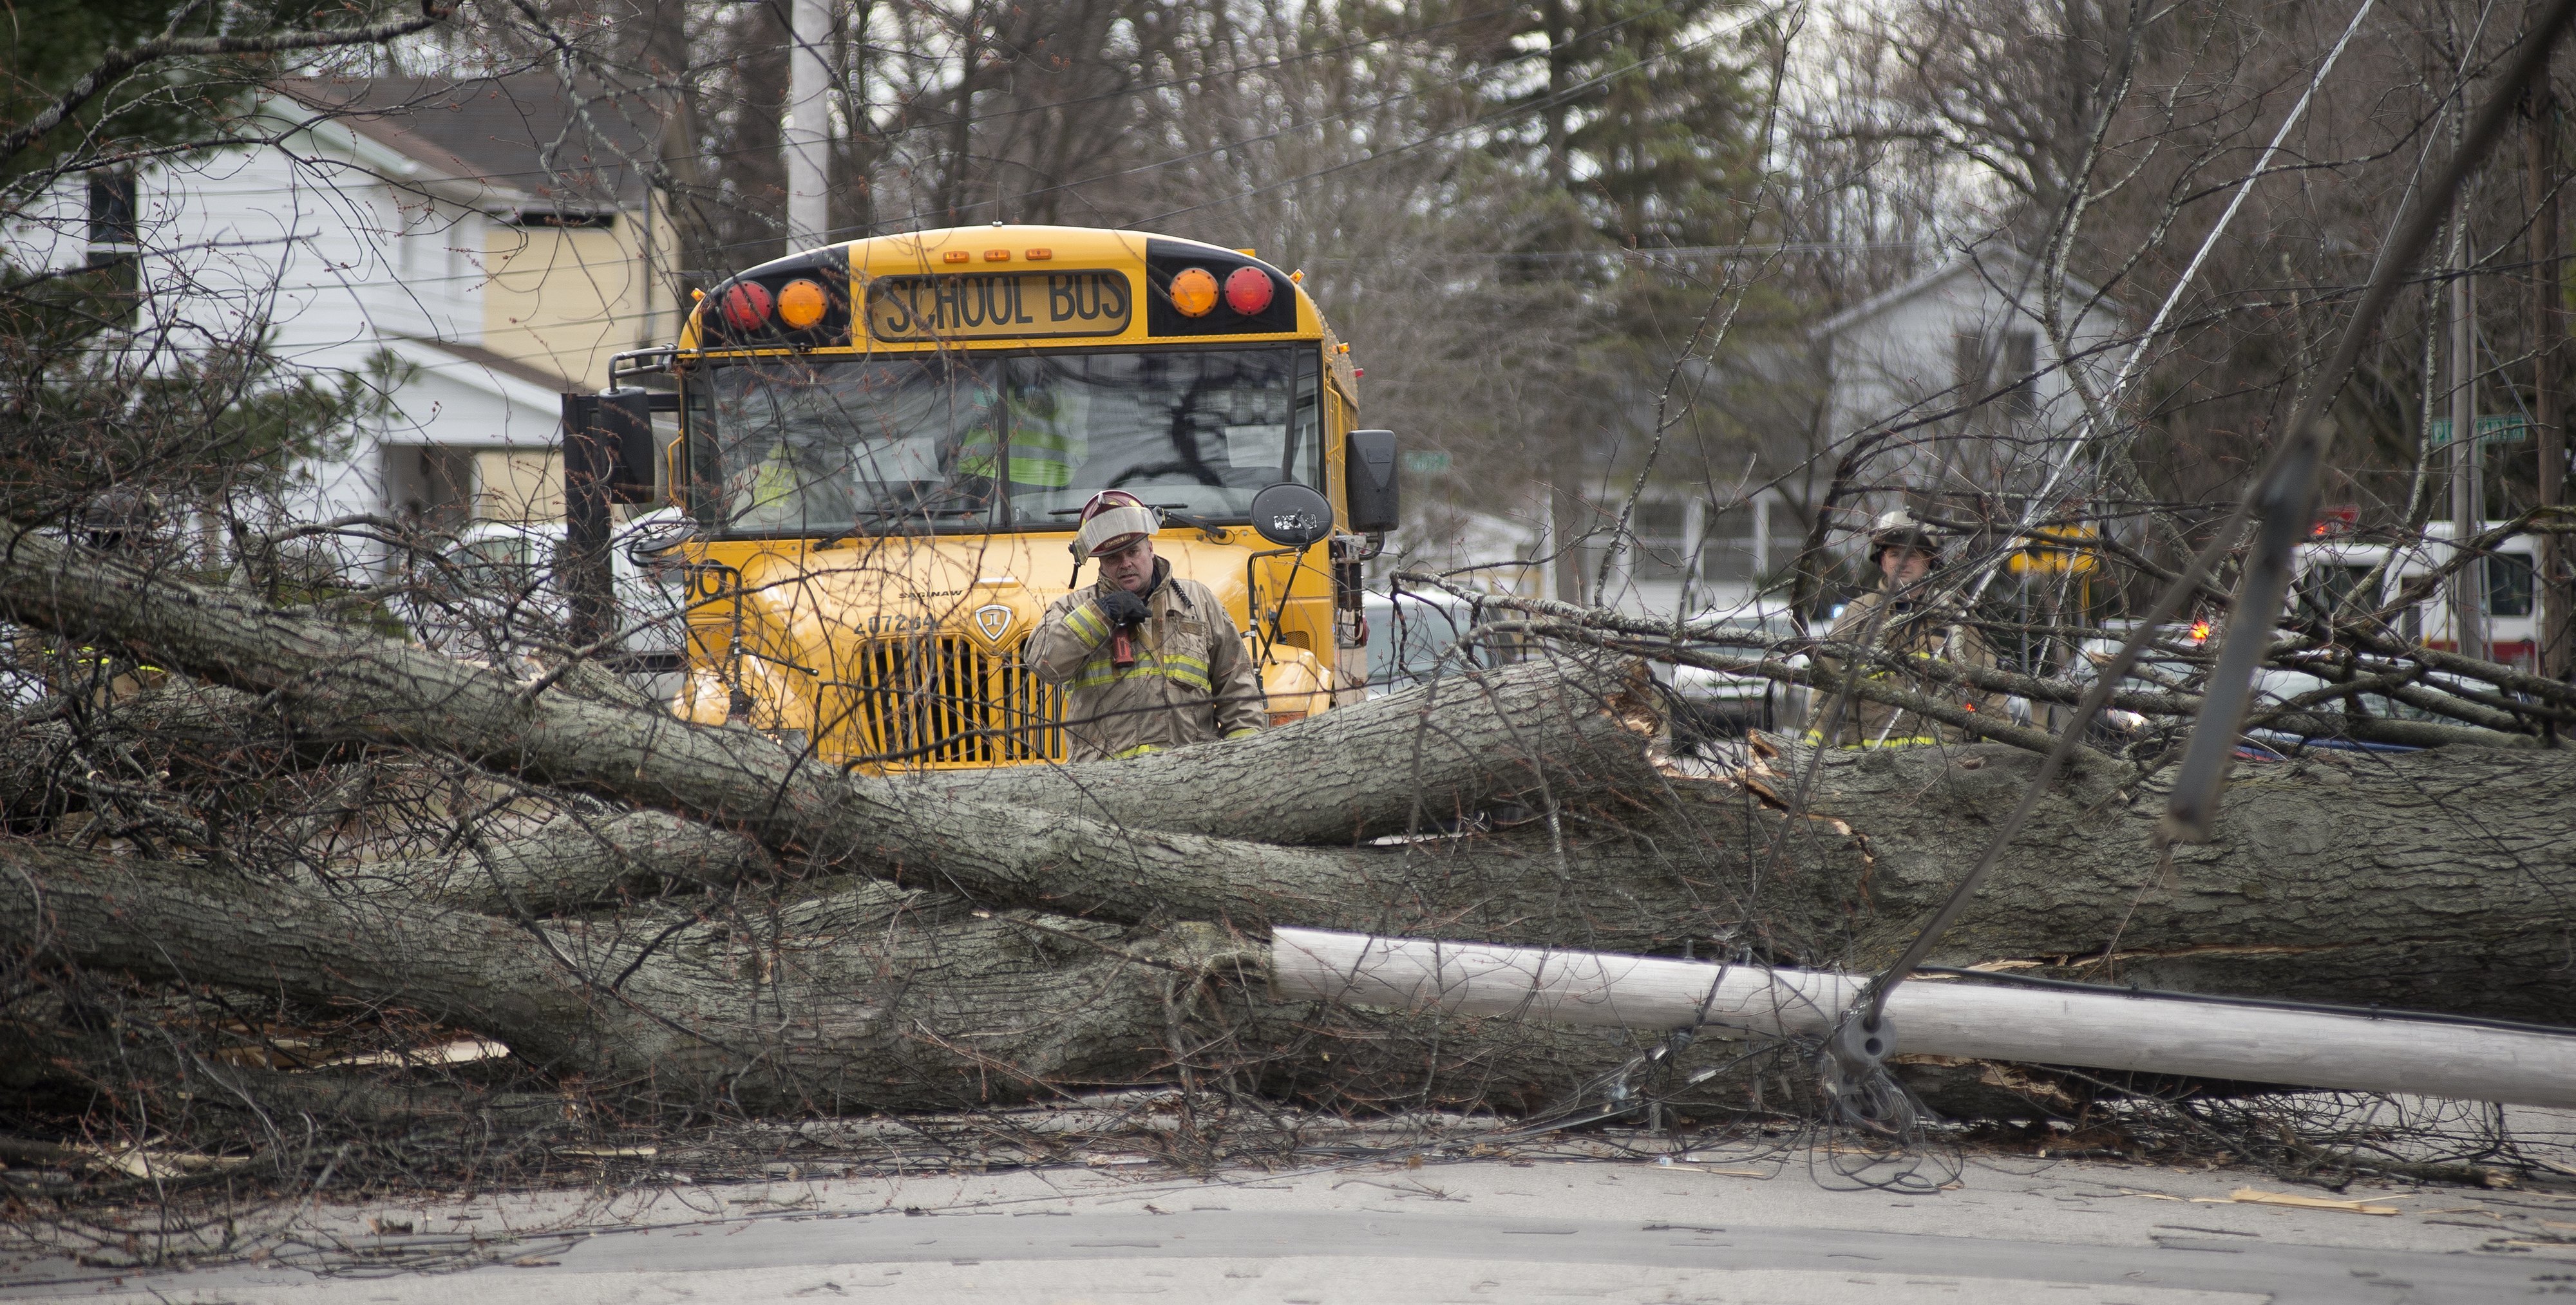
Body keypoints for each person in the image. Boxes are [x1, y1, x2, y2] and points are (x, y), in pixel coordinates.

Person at [1027, 490, 1266, 760]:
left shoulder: (1198, 602)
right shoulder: (1074, 608)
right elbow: (1043, 664)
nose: (1126, 564)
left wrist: (1243, 761)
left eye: (1133, 552)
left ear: (1150, 549)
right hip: (1104, 784)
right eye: (1113, 558)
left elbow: (1238, 691)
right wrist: (1101, 614)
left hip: (1190, 778)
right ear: (1101, 564)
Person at [1808, 509, 2003, 748]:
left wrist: (1997, 754)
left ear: (1930, 559)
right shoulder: (1857, 615)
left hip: (1939, 768)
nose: (1902, 562)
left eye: (1913, 554)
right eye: (1894, 553)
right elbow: (1827, 690)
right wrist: (1811, 751)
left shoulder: (1956, 619)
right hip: (1865, 767)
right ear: (1882, 560)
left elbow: (1989, 694)